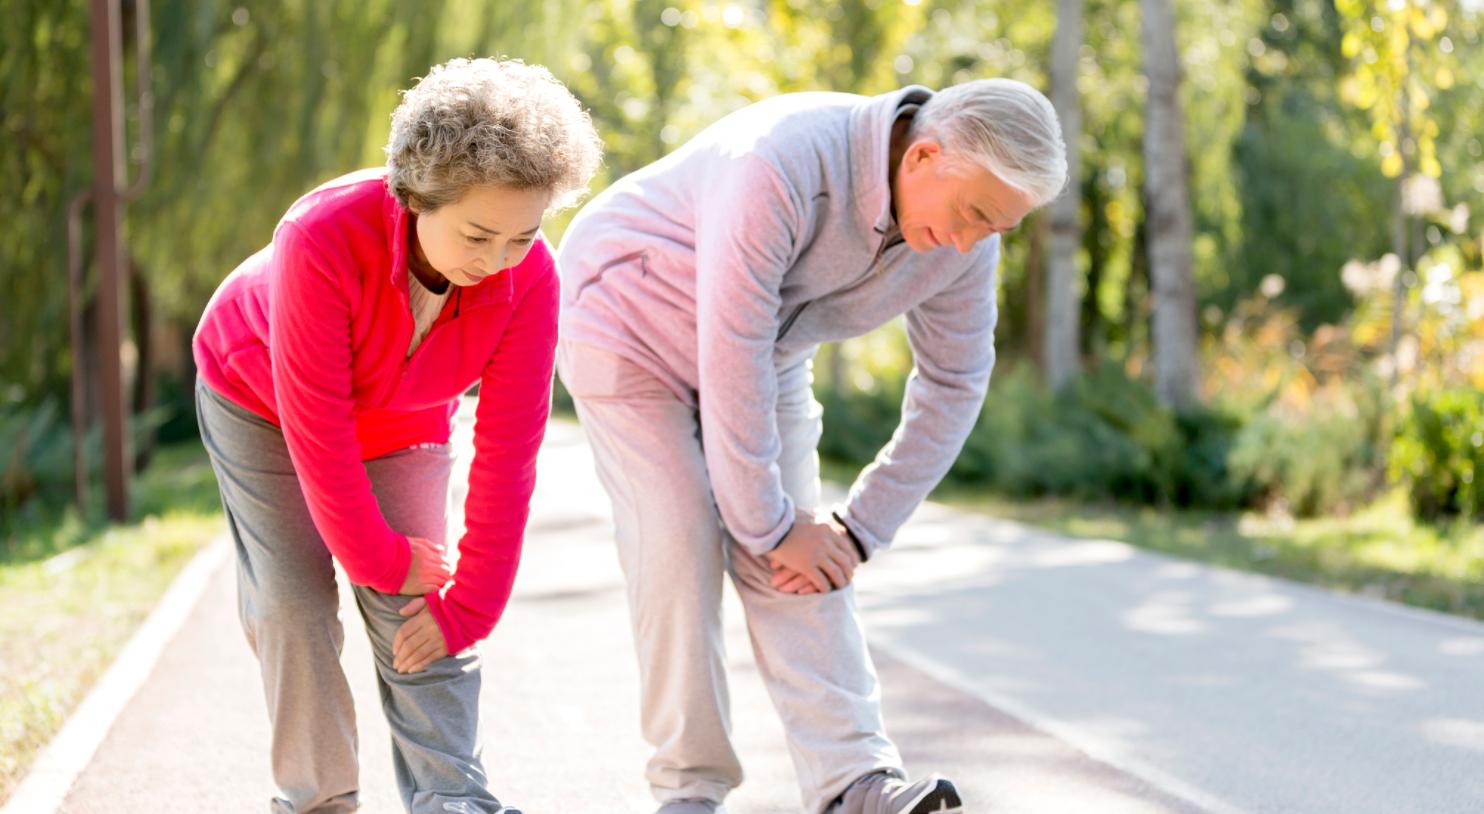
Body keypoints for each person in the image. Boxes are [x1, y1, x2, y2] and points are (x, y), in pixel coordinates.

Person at [555, 79, 1066, 814]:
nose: (969, 242)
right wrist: (768, 524)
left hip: (769, 352)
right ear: (923, 156)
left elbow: (955, 382)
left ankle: (855, 784)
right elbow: (730, 344)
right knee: (679, 541)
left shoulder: (964, 240)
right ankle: (689, 792)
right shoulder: (782, 161)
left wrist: (857, 530)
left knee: (807, 561)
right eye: (971, 215)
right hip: (626, 321)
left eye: (995, 229)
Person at [192, 58, 601, 813]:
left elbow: (509, 456)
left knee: (421, 605)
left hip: (402, 414)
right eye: (478, 235)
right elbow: (318, 433)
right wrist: (377, 553)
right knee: (293, 603)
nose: (497, 263)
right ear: (416, 195)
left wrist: (467, 606)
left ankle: (454, 798)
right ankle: (317, 800)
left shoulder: (529, 277)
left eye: (521, 236)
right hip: (262, 402)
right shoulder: (319, 236)